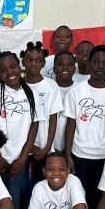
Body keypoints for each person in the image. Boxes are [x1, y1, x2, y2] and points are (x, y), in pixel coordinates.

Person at [64, 45, 105, 209]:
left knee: (103, 199)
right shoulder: (76, 91)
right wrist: (68, 155)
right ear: (89, 64)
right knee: (82, 199)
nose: (100, 66)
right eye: (96, 62)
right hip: (80, 154)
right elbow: (71, 124)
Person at [0, 51, 42, 209]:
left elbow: (34, 127)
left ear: (20, 67)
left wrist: (22, 159)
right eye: (3, 70)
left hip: (18, 160)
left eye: (13, 67)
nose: (9, 73)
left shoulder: (31, 94)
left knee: (14, 201)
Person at [21, 42, 62, 178]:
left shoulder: (51, 85)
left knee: (41, 182)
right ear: (23, 62)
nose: (34, 64)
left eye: (38, 61)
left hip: (44, 147)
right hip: (21, 147)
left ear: (44, 63)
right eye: (29, 60)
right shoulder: (17, 85)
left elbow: (53, 118)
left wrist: (47, 147)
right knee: (23, 185)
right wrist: (30, 146)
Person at [52, 51, 77, 152]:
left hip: (74, 149)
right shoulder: (48, 89)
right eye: (60, 64)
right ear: (54, 69)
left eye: (69, 64)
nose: (65, 67)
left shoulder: (81, 89)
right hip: (49, 147)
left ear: (74, 69)